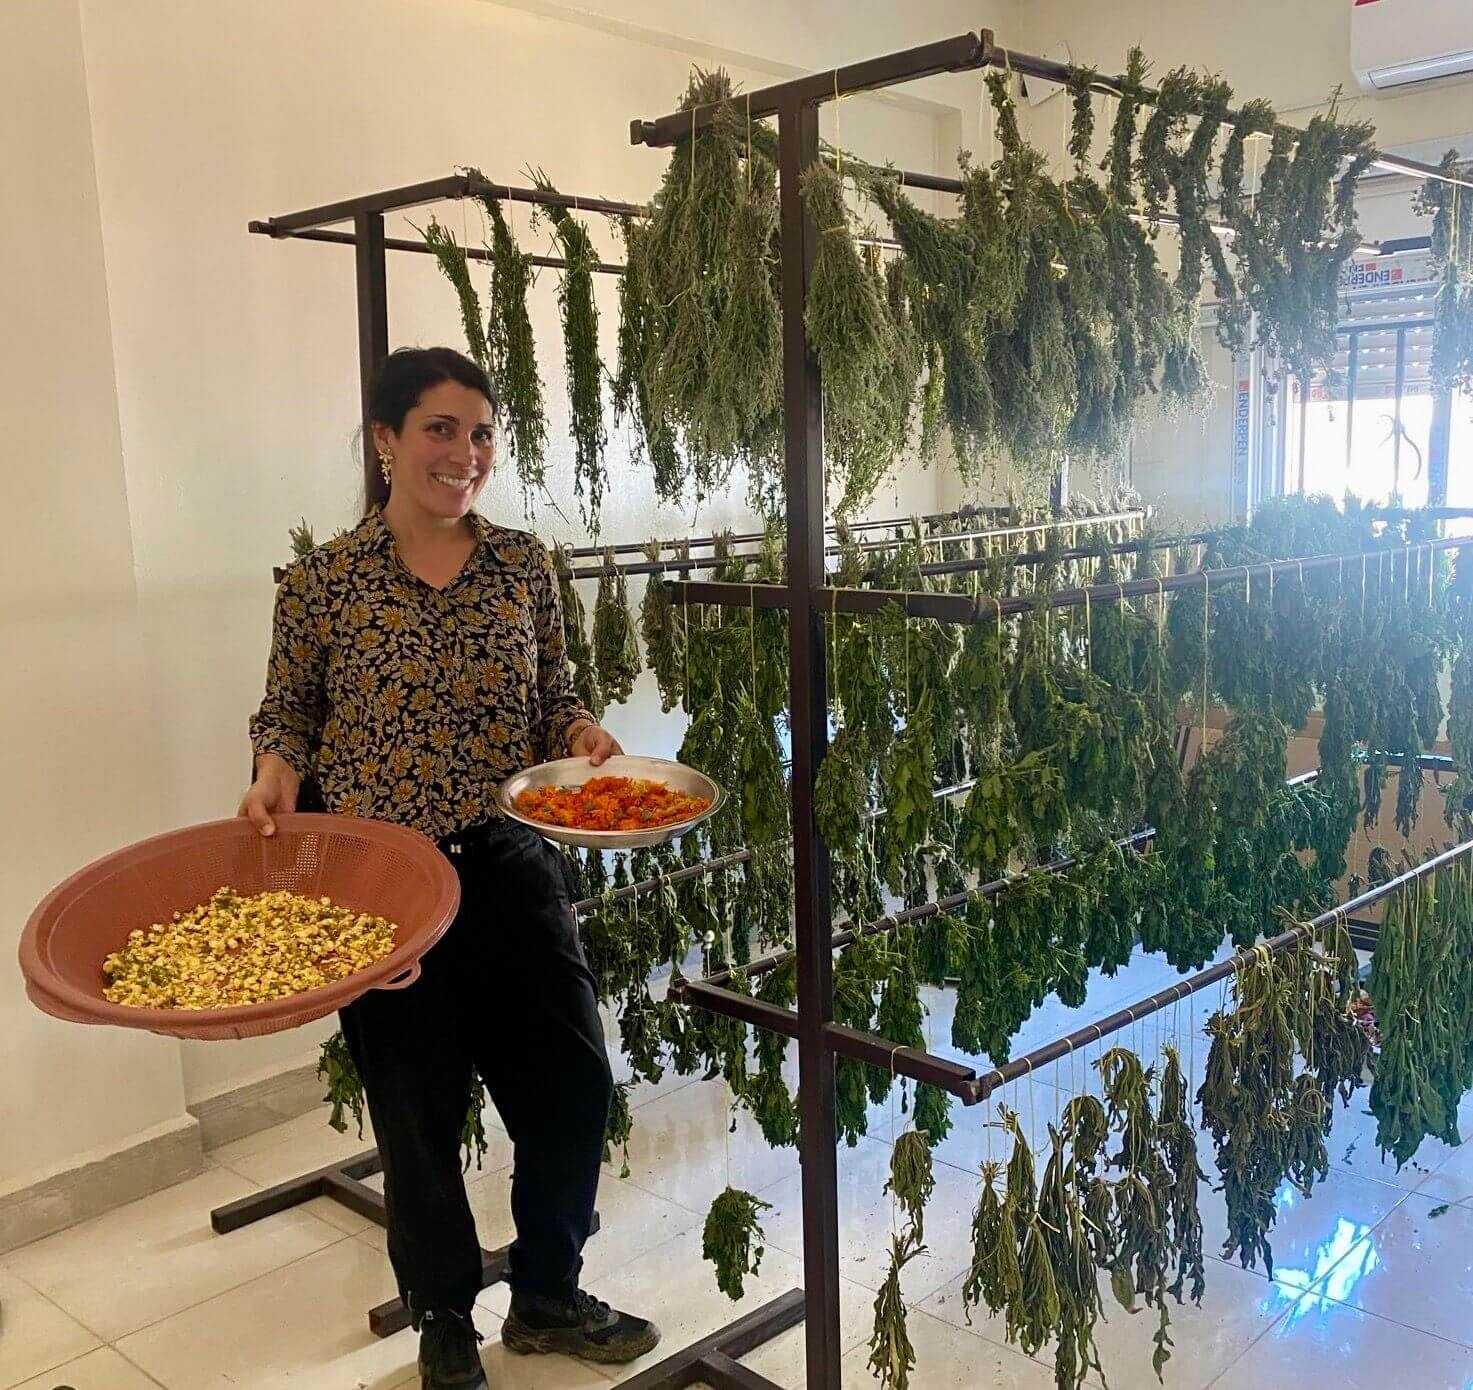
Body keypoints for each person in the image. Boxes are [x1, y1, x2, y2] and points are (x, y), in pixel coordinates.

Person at [240, 346, 660, 1389]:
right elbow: (288, 711)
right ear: (386, 439)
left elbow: (550, 693)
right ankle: (443, 1322)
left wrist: (580, 727)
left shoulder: (524, 564)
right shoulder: (323, 583)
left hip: (511, 865)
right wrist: (274, 771)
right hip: (384, 884)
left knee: (569, 1082)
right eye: (439, 428)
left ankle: (550, 1293)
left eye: (480, 433)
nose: (464, 453)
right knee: (416, 1112)